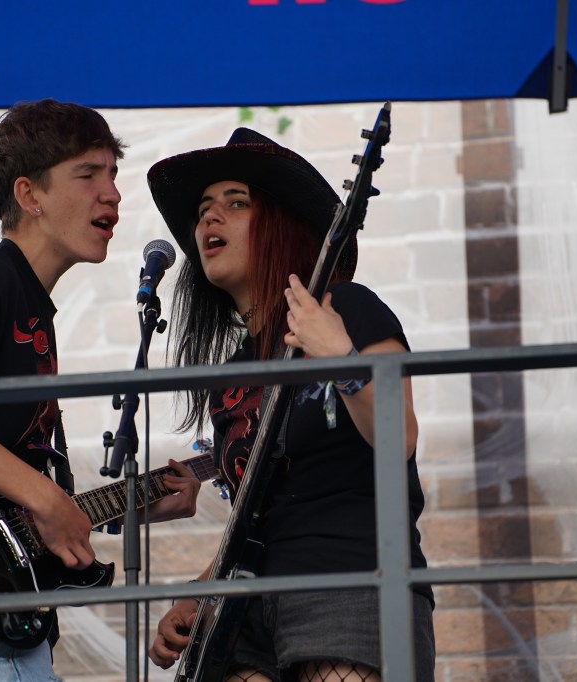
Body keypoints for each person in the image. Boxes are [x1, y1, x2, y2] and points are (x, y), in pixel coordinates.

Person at [0, 99, 201, 680]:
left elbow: (15, 506)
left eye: (113, 175)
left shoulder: (30, 305)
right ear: (30, 195)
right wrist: (47, 500)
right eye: (88, 174)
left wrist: (128, 505)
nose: (113, 194)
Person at [145, 128, 435, 681]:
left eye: (236, 203)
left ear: (281, 223)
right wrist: (198, 592)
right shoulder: (230, 379)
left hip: (347, 582)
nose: (210, 218)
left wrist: (341, 357)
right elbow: (261, 517)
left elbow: (399, 436)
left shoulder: (346, 308)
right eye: (203, 211)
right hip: (247, 608)